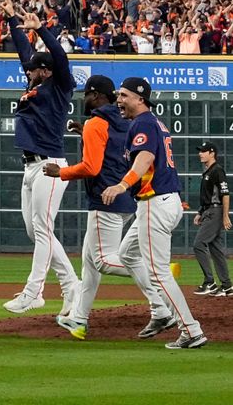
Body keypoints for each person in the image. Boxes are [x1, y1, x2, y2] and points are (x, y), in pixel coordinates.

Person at [45, 76, 174, 340]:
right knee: (90, 264)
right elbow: (113, 149)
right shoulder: (124, 121)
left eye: (86, 94)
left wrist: (62, 172)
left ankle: (158, 281)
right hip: (125, 197)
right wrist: (84, 132)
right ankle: (78, 319)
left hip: (106, 197)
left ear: (95, 96)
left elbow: (91, 167)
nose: (83, 99)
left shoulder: (97, 123)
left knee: (103, 261)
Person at [101, 78, 207, 349]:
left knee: (159, 272)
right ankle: (160, 311)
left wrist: (122, 184)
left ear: (140, 98)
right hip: (162, 202)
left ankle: (191, 330)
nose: (119, 100)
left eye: (124, 95)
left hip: (154, 203)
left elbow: (145, 158)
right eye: (117, 95)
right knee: (127, 253)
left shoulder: (144, 122)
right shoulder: (152, 122)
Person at [0, 0, 80, 315]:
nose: (28, 69)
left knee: (42, 230)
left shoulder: (59, 86)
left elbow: (59, 58)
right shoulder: (35, 81)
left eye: (34, 68)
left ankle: (34, 292)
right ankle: (72, 285)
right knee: (36, 231)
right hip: (30, 166)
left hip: (50, 165)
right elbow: (25, 53)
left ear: (45, 72)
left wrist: (43, 29)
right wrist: (13, 22)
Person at [192, 141, 232, 296]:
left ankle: (210, 282)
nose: (200, 153)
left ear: (212, 153)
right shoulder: (208, 171)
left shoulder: (217, 170)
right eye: (200, 151)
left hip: (215, 212)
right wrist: (200, 212)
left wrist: (225, 216)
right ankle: (227, 286)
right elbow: (207, 197)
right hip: (209, 211)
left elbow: (225, 194)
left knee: (199, 244)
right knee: (216, 249)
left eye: (203, 151)